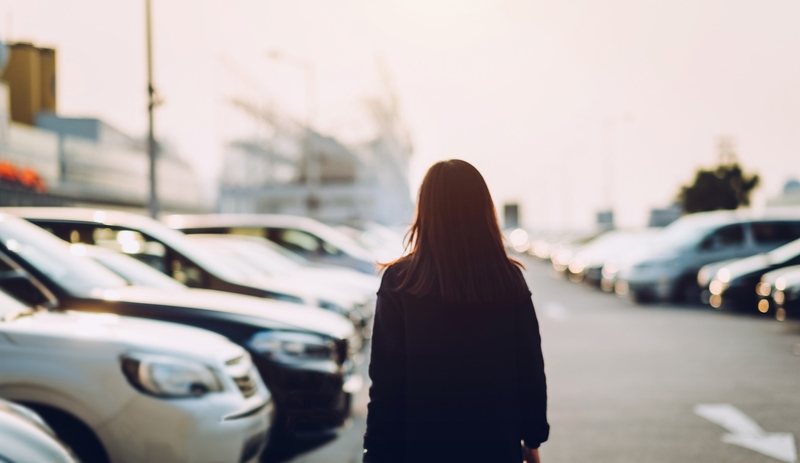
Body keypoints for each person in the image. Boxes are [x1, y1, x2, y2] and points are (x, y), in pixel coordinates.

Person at [363, 159, 549, 463]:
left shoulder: (401, 281)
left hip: (420, 449)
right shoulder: (506, 279)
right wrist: (532, 439)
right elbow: (528, 368)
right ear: (483, 210)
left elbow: (386, 381)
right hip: (495, 446)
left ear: (425, 210)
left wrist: (376, 452)